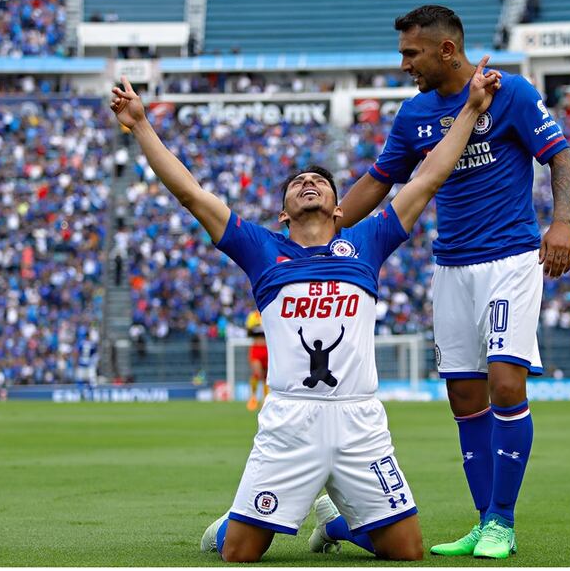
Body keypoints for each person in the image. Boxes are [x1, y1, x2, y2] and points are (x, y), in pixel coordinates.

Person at [110, 59, 501, 563]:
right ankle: (237, 522)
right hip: (290, 420)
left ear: (340, 208)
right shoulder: (260, 248)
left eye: (320, 180)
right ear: (283, 211)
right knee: (239, 554)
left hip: (359, 418)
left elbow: (425, 181)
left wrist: (469, 110)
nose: (309, 183)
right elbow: (191, 193)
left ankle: (335, 523)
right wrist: (141, 125)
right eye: (298, 183)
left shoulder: (368, 241)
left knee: (407, 552)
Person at [338, 5, 570, 559]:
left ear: (446, 50)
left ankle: (503, 521)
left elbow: (560, 160)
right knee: (464, 396)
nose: (404, 64)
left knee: (506, 385)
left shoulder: (511, 93)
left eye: (410, 53)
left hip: (510, 259)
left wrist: (561, 221)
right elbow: (379, 181)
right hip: (450, 267)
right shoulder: (415, 114)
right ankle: (481, 521)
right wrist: (328, 226)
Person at [244, 309, 269, 411]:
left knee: (267, 377)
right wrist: (257, 328)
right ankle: (253, 397)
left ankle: (266, 399)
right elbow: (248, 332)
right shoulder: (252, 315)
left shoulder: (269, 311)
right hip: (257, 348)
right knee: (257, 374)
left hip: (268, 348)